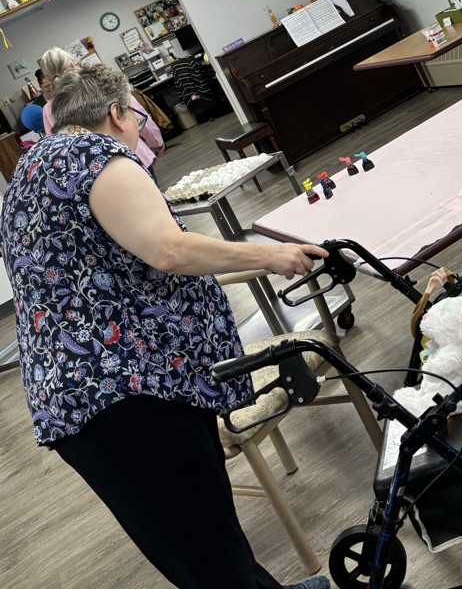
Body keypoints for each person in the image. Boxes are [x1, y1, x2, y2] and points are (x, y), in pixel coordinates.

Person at [1, 63, 330, 589]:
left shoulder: (33, 169)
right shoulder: (98, 156)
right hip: (123, 394)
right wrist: (270, 256)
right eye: (135, 114)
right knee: (209, 558)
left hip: (93, 397)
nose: (138, 129)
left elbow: (123, 265)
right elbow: (170, 250)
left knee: (201, 539)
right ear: (114, 112)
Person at [40, 46, 165, 174]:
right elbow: (135, 113)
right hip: (132, 153)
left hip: (96, 171)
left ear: (47, 77)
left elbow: (58, 146)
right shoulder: (100, 84)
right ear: (73, 64)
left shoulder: (49, 110)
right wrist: (155, 140)